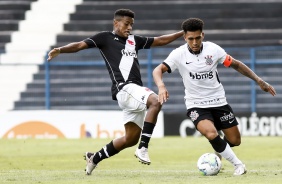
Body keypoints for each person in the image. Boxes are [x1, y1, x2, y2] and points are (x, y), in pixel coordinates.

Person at [47, 9, 183, 175]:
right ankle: (143, 148)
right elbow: (79, 45)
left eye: (131, 24)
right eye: (126, 24)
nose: (129, 28)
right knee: (155, 101)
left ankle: (94, 158)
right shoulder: (104, 38)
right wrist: (60, 50)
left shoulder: (135, 41)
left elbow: (160, 41)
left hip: (133, 92)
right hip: (125, 88)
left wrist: (183, 32)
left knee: (130, 139)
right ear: (116, 23)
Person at [152, 18, 276, 175]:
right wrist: (161, 86)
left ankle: (219, 153)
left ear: (203, 35)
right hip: (196, 104)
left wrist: (259, 80)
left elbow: (236, 64)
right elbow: (157, 70)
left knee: (235, 140)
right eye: (191, 39)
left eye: (198, 37)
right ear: (185, 38)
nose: (195, 42)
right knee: (211, 133)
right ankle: (238, 165)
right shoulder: (178, 54)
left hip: (219, 101)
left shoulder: (214, 50)